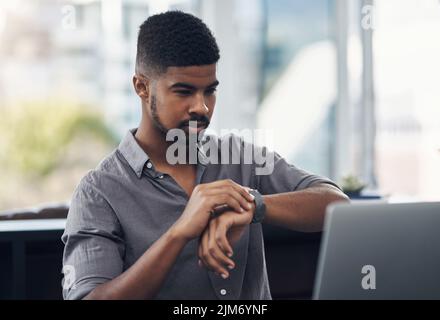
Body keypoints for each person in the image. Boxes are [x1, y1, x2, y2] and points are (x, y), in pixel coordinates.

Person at [61, 11, 348, 300]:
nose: (202, 108)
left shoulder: (239, 157)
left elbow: (336, 203)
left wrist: (252, 206)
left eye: (209, 91)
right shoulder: (98, 192)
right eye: (184, 91)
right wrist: (179, 233)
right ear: (142, 87)